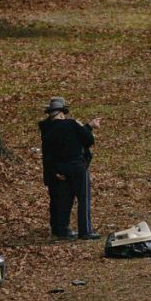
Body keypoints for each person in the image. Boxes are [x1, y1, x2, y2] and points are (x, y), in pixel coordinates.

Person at [39, 97, 100, 240]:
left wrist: (55, 172)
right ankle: (85, 231)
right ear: (62, 113)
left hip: (61, 169)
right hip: (77, 167)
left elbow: (48, 155)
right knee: (83, 199)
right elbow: (89, 140)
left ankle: (62, 230)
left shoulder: (47, 131)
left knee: (65, 201)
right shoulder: (72, 124)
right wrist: (88, 127)